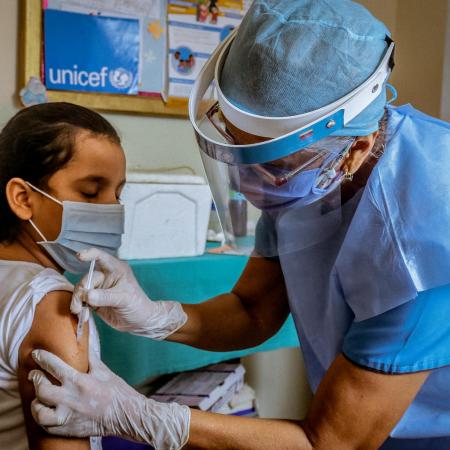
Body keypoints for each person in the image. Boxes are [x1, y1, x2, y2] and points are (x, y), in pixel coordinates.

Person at [29, 1, 450, 449]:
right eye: (236, 149)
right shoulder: (308, 177)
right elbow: (254, 310)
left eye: (273, 165)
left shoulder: (421, 245)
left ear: (355, 150)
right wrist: (157, 316)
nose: (250, 183)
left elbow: (330, 442)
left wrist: (140, 415)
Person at [0, 102, 125, 449]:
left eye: (118, 192)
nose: (112, 209)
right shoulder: (51, 305)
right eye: (90, 191)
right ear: (23, 198)